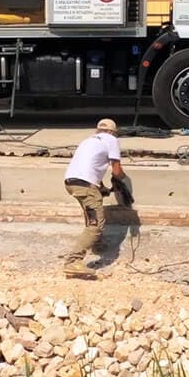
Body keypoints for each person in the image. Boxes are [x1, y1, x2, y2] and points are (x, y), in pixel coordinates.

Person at [63, 118, 126, 278]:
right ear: (113, 132)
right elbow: (117, 170)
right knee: (96, 224)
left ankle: (96, 245)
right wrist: (122, 182)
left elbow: (90, 166)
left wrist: (101, 188)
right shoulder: (111, 140)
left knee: (90, 216)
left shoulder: (88, 141)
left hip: (71, 182)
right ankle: (73, 262)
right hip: (85, 185)